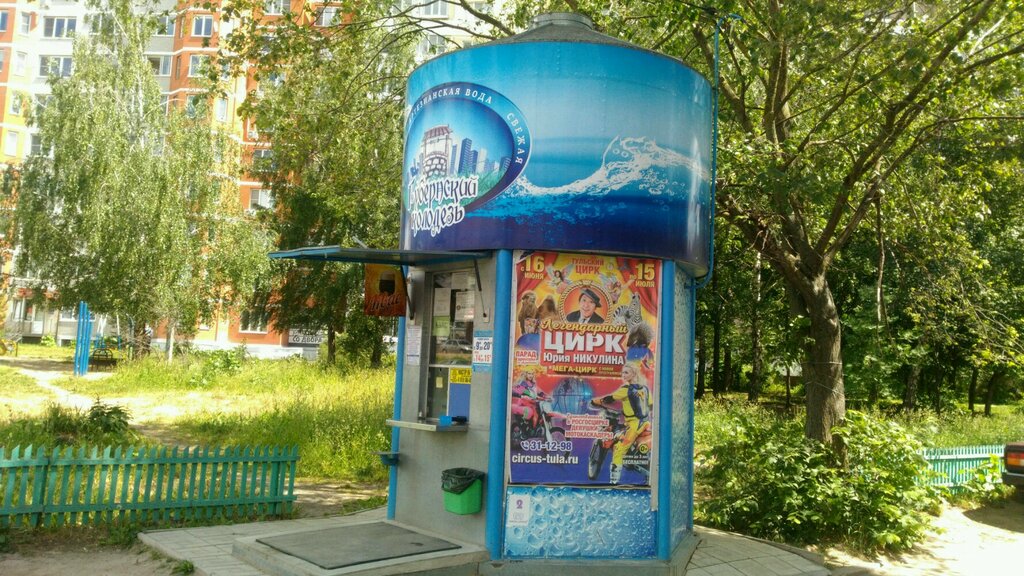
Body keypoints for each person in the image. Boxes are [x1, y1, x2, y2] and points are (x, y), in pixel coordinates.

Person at [591, 362, 651, 484]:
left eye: (626, 372)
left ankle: (613, 482)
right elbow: (650, 405)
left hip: (635, 424)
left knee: (619, 449)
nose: (623, 375)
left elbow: (610, 398)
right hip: (644, 422)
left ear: (633, 373)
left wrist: (596, 401)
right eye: (622, 372)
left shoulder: (626, 389)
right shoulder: (645, 389)